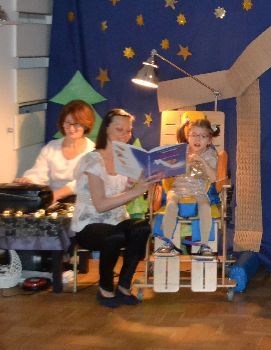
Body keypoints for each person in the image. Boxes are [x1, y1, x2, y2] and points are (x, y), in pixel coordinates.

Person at [70, 108, 152, 308]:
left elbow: (122, 196)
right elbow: (100, 205)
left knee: (142, 228)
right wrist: (135, 191)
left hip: (116, 220)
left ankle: (124, 286)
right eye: (119, 130)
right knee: (114, 236)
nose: (125, 135)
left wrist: (146, 181)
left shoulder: (125, 159)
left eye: (128, 131)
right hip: (89, 224)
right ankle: (105, 288)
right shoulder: (92, 160)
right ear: (106, 128)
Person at [157, 118, 219, 256]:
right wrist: (173, 163)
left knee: (205, 207)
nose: (198, 139)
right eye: (194, 135)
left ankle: (204, 245)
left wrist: (202, 161)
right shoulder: (181, 151)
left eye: (203, 136)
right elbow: (167, 171)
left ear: (209, 140)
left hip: (199, 190)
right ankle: (167, 242)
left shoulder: (210, 154)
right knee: (171, 204)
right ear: (188, 137)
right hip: (177, 189)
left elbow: (214, 177)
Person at [14, 100, 95, 204]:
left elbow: (82, 182)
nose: (71, 128)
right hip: (53, 201)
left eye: (76, 124)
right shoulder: (51, 147)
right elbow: (39, 174)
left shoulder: (93, 151)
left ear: (86, 125)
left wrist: (55, 195)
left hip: (81, 202)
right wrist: (28, 181)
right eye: (67, 122)